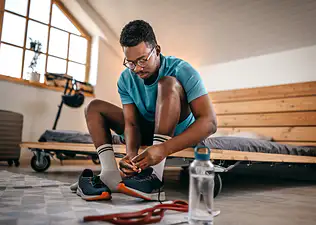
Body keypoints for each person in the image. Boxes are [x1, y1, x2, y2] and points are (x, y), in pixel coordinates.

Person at [73, 19, 217, 201]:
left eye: (142, 59)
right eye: (131, 62)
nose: (137, 68)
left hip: (176, 133)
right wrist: (131, 156)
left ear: (157, 50)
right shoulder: (125, 79)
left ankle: (153, 178)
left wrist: (163, 149)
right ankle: (109, 174)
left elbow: (210, 123)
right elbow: (131, 123)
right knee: (93, 107)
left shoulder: (182, 69)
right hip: (148, 130)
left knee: (168, 83)